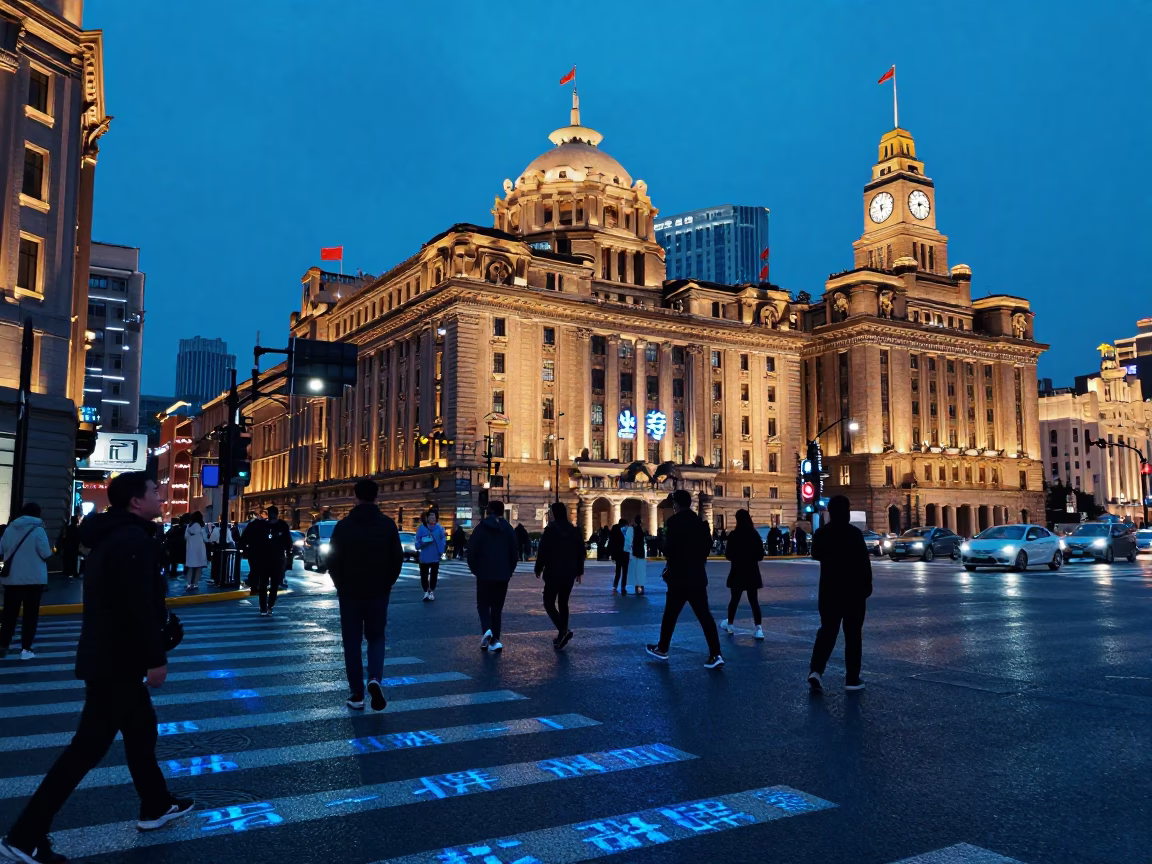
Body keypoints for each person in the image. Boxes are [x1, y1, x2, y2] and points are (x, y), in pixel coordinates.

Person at [0, 473, 194, 863]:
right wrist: (156, 659)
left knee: (142, 732)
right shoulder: (131, 542)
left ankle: (156, 804)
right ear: (136, 502)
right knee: (86, 750)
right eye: (155, 491)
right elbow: (135, 607)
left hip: (110, 657)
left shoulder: (116, 537)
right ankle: (25, 836)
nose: (161, 495)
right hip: (116, 662)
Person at [327, 479, 402, 711]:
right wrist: (386, 584)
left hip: (350, 593)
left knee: (351, 642)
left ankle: (357, 695)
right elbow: (396, 560)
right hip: (378, 592)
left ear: (355, 497)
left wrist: (341, 584)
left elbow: (332, 560)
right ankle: (374, 679)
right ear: (377, 496)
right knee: (376, 638)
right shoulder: (388, 525)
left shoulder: (343, 526)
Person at [645, 489, 725, 668]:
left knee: (670, 615)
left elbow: (669, 550)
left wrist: (663, 544)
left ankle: (663, 648)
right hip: (697, 576)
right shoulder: (701, 523)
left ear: (676, 504)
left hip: (679, 578)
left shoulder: (674, 522)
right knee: (705, 617)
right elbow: (706, 548)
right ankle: (716, 654)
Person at [808, 495, 873, 693]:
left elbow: (816, 554)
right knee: (853, 636)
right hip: (853, 591)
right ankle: (852, 678)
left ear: (830, 511)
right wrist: (867, 585)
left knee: (827, 632)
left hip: (829, 591)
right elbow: (864, 562)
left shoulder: (822, 533)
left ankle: (816, 671)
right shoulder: (854, 533)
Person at [0, 502, 54, 660]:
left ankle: (3, 645)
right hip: (33, 580)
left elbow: (1, 550)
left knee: (10, 614)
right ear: (38, 513)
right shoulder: (38, 530)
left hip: (12, 580)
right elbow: (45, 554)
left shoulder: (10, 529)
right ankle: (26, 649)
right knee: (30, 616)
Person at [466, 500, 518, 653]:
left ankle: (487, 631)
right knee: (497, 608)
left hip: (484, 574)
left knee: (483, 605)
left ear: (489, 511)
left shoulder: (481, 528)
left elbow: (472, 551)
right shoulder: (508, 529)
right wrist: (509, 571)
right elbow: (514, 553)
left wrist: (476, 570)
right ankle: (495, 640)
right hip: (502, 575)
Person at [534, 502, 584, 650]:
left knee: (548, 602)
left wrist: (539, 567)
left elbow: (543, 550)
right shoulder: (574, 530)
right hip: (569, 572)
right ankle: (563, 632)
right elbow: (581, 551)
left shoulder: (550, 530)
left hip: (553, 571)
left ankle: (563, 630)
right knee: (563, 602)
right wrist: (579, 570)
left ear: (554, 514)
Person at [721, 509, 765, 639]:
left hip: (737, 570)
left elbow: (728, 555)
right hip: (752, 571)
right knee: (754, 601)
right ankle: (758, 628)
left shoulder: (734, 535)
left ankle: (730, 624)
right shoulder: (754, 534)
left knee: (734, 600)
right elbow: (760, 555)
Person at [242, 507, 293, 616]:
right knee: (272, 584)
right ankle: (268, 606)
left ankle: (264, 607)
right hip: (275, 559)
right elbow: (288, 542)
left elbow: (250, 538)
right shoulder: (280, 525)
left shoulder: (262, 525)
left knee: (264, 584)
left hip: (266, 559)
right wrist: (288, 555)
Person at [415, 509, 446, 601]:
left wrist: (441, 551)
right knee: (424, 575)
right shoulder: (421, 528)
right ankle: (426, 592)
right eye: (431, 516)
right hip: (424, 557)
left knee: (434, 575)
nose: (433, 518)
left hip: (435, 557)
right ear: (427, 518)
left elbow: (443, 540)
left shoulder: (440, 528)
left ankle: (431, 591)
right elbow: (417, 544)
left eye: (434, 516)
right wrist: (424, 542)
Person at [183, 511, 207, 592]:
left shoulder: (188, 527)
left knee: (190, 567)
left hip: (190, 550)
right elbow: (206, 539)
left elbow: (185, 537)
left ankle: (189, 584)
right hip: (199, 550)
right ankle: (195, 584)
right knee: (198, 567)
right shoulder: (201, 527)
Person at [609, 518, 630, 594]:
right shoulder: (624, 530)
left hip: (619, 553)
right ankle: (622, 587)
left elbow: (611, 542)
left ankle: (615, 586)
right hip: (623, 553)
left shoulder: (615, 529)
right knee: (624, 572)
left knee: (618, 571)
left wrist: (612, 554)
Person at [630, 515, 648, 595]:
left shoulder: (635, 529)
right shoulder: (639, 529)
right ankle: (640, 588)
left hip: (636, 551)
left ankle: (637, 588)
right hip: (639, 552)